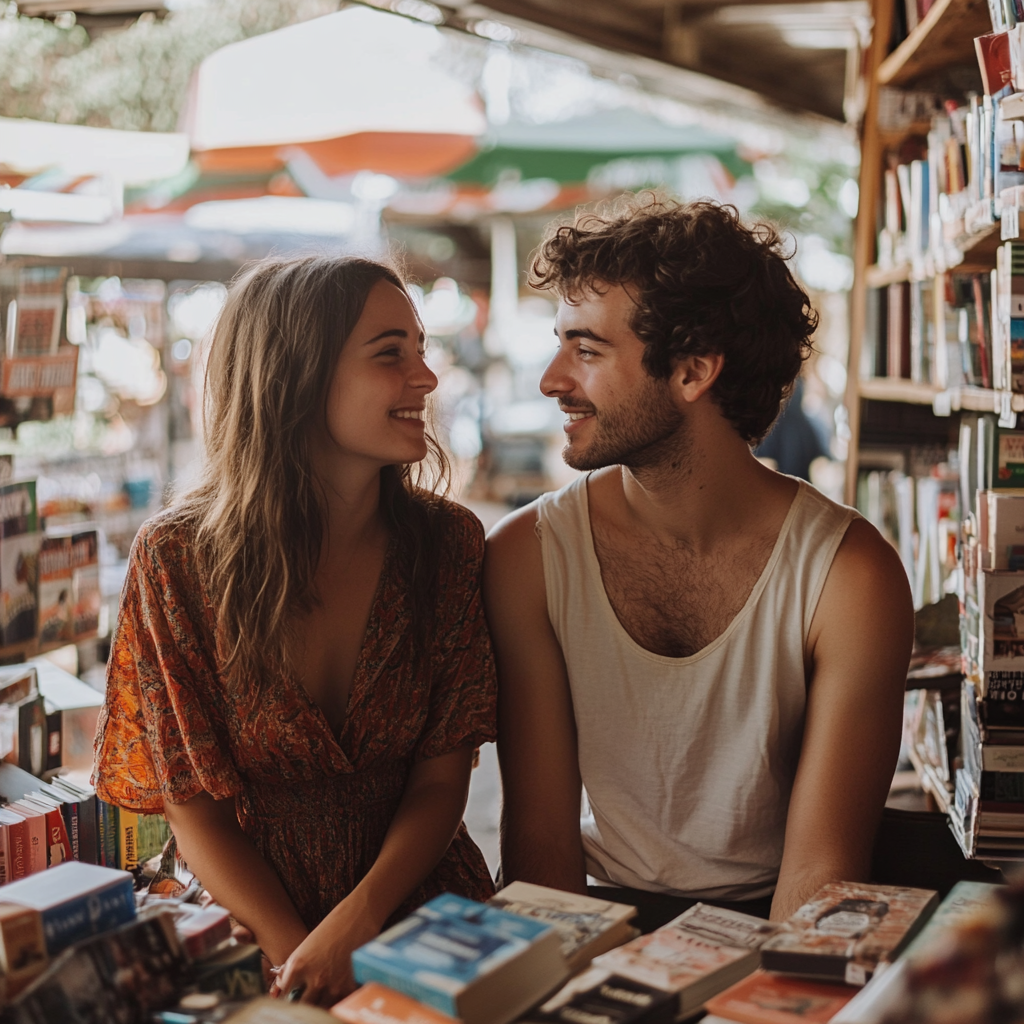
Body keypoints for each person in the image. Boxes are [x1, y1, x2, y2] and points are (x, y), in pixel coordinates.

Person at [486, 197, 913, 931]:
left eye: (586, 351)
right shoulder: (528, 556)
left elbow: (822, 873)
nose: (552, 379)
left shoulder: (850, 576)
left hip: (774, 925)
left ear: (691, 372)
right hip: (597, 918)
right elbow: (540, 850)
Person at [94, 255, 497, 1006]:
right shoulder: (176, 558)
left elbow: (443, 781)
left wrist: (358, 922)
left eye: (422, 350)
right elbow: (194, 807)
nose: (427, 379)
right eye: (391, 354)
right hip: (249, 920)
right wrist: (297, 956)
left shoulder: (448, 545)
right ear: (296, 376)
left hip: (422, 912)